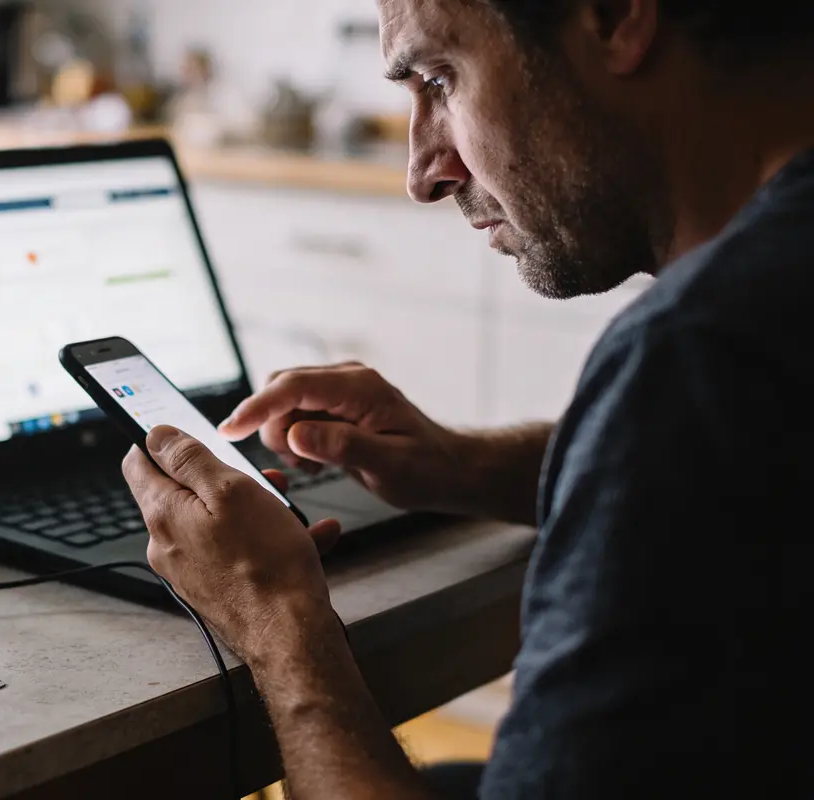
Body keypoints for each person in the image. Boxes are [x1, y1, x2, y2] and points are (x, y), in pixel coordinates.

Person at [123, 0, 814, 797]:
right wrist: (465, 466)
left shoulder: (703, 352)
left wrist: (276, 620)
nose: (423, 173)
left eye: (439, 79)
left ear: (618, 17)